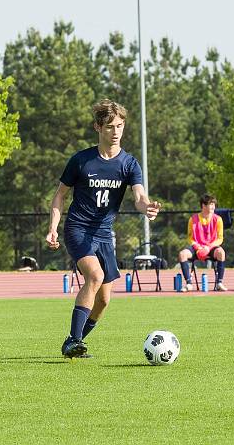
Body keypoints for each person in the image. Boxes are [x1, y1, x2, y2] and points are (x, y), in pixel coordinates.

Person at [46, 99, 161, 358]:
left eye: (120, 126)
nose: (116, 131)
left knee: (105, 300)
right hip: (78, 228)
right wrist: (53, 227)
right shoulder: (81, 160)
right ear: (97, 127)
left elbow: (140, 197)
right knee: (94, 277)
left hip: (104, 235)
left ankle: (72, 342)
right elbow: (59, 196)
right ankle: (75, 340)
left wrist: (147, 208)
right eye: (109, 126)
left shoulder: (129, 164)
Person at [177, 194, 228, 292]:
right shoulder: (192, 219)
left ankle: (219, 283)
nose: (213, 206)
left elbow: (220, 239)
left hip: (211, 247)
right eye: (211, 204)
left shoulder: (218, 219)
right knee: (182, 254)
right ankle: (188, 283)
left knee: (221, 252)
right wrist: (198, 247)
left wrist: (208, 247)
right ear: (203, 206)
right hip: (197, 247)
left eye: (214, 204)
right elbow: (190, 238)